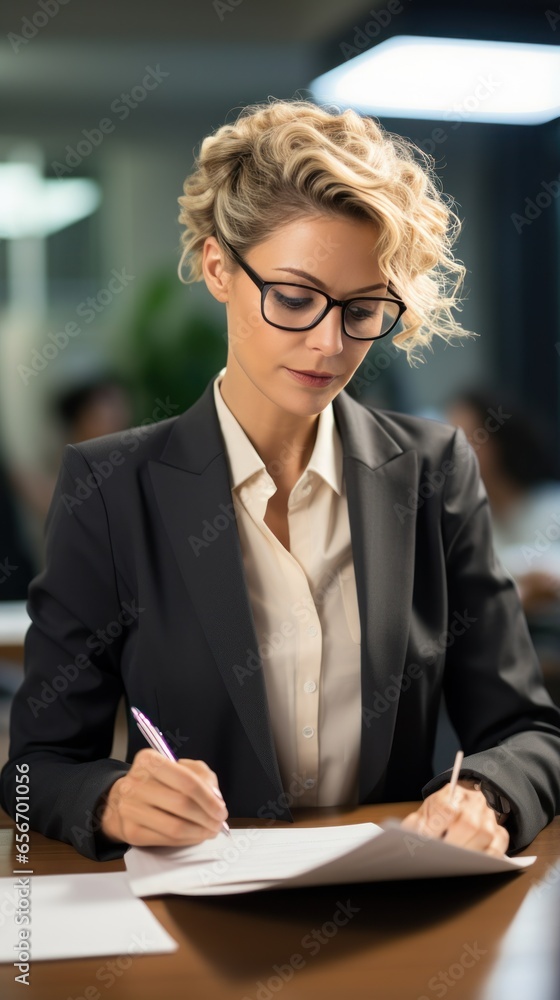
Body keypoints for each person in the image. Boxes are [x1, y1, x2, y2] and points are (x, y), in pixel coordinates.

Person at [1, 99, 559, 863]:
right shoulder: (110, 488)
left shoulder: (435, 474)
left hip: (394, 911)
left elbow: (527, 733)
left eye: (364, 310)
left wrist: (486, 793)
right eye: (294, 299)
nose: (328, 343)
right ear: (218, 267)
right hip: (192, 925)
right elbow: (34, 770)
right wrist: (110, 797)